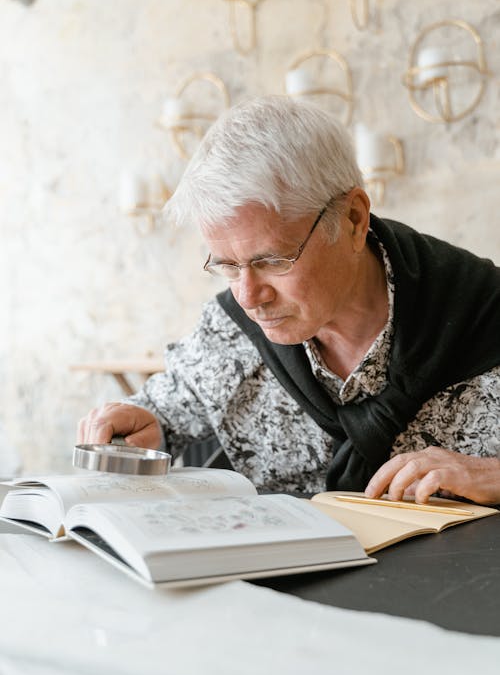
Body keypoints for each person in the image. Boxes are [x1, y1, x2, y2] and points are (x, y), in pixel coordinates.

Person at [78, 96, 500, 503]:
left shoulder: (484, 311)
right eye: (227, 265)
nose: (248, 296)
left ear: (353, 219)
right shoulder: (228, 334)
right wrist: (141, 428)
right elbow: (159, 415)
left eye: (273, 260)